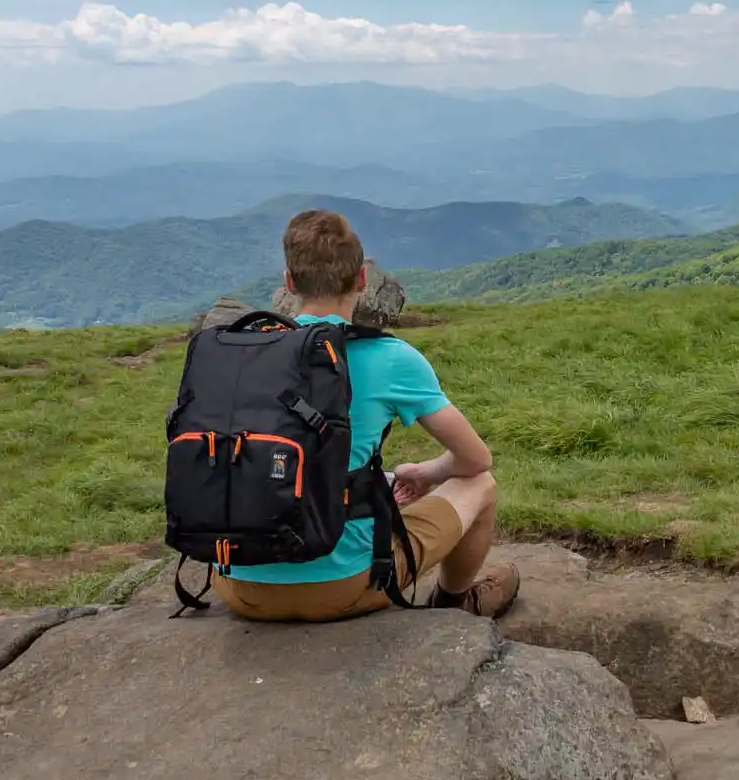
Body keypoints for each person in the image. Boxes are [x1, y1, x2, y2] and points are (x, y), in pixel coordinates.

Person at [210, 208, 520, 621]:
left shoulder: (244, 352)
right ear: (361, 280)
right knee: (481, 484)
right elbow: (475, 459)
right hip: (341, 586)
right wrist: (426, 472)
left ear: (289, 283)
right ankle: (455, 606)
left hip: (237, 583)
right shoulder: (389, 357)